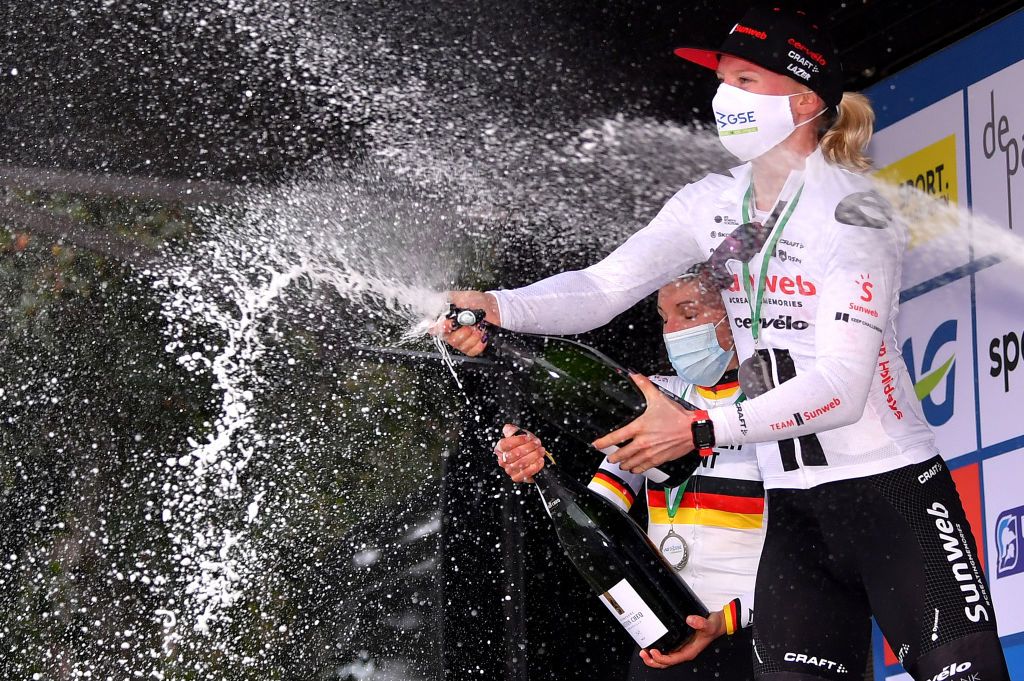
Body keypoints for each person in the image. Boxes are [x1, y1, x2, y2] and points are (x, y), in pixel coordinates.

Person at [443, 5, 1009, 681]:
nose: (723, 97)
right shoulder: (713, 204)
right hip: (796, 517)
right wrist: (498, 306)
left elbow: (840, 387)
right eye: (720, 78)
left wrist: (699, 427)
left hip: (893, 500)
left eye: (745, 79)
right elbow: (601, 288)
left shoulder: (856, 212)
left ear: (803, 101)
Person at [496, 270, 764, 680]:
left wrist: (729, 620)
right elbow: (598, 510)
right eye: (663, 317)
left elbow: (809, 547)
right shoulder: (653, 394)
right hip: (667, 629)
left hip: (754, 632)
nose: (671, 330)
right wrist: (541, 468)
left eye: (688, 313)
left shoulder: (776, 406)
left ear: (737, 316)